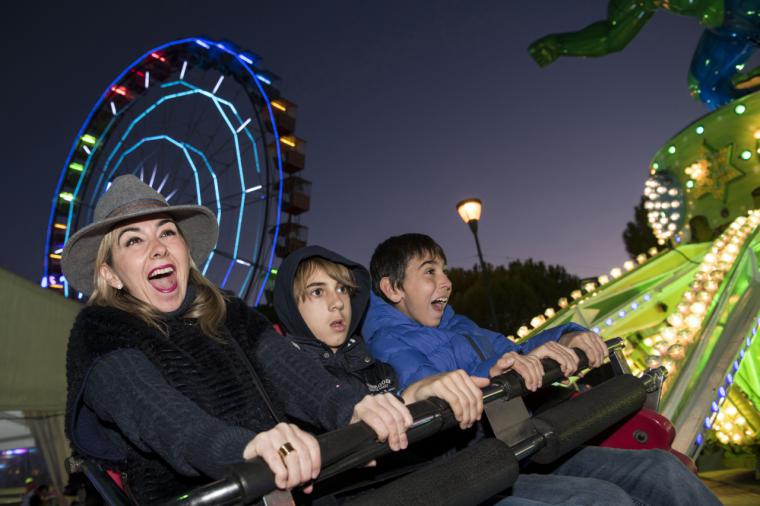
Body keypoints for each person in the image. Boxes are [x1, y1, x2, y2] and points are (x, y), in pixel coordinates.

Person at [60, 175, 413, 504]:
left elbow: (291, 371)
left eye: (167, 233)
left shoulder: (227, 309)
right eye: (134, 239)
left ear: (185, 250)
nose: (158, 248)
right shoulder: (99, 331)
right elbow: (159, 417)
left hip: (286, 487)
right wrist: (245, 449)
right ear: (110, 274)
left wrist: (353, 405)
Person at [362, 233, 721, 506]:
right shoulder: (385, 342)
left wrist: (567, 338)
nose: (447, 281)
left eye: (443, 270)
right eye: (430, 272)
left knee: (660, 468)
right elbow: (422, 382)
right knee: (602, 500)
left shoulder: (458, 326)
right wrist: (499, 369)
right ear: (393, 289)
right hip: (468, 469)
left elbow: (514, 350)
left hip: (517, 445)